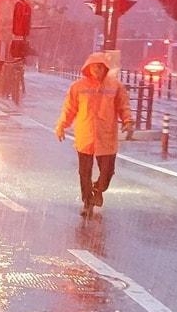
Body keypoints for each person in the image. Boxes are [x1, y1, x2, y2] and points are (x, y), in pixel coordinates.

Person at [55, 52, 134, 216]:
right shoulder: (78, 87)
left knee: (107, 172)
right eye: (94, 67)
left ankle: (98, 188)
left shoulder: (115, 86)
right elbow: (69, 109)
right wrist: (62, 125)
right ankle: (87, 201)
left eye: (100, 67)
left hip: (107, 136)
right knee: (84, 172)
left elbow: (123, 106)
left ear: (105, 68)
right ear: (88, 68)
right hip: (85, 135)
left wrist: (128, 121)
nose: (97, 70)